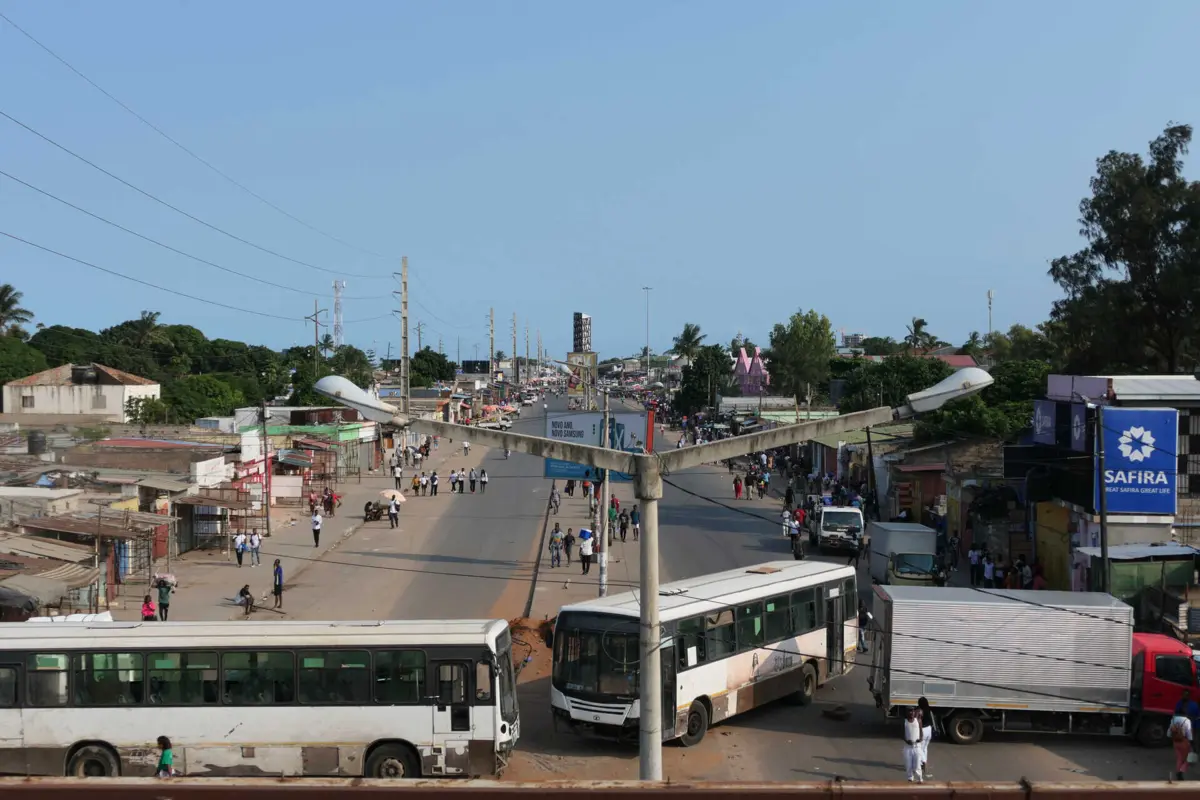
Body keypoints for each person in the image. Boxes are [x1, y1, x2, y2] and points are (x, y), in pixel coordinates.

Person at [1170, 709, 1193, 781]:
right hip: (1184, 742)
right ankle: (1181, 771)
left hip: (1175, 742)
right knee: (1188, 758)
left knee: (1179, 758)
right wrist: (1191, 742)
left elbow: (1169, 733)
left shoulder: (1173, 720)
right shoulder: (1187, 721)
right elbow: (1189, 733)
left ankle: (1178, 771)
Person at [902, 707, 923, 782]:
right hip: (908, 747)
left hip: (917, 747)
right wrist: (907, 741)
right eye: (910, 711)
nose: (911, 713)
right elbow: (902, 734)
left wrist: (920, 739)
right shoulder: (904, 722)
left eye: (913, 711)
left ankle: (920, 779)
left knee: (917, 766)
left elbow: (921, 732)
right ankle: (910, 779)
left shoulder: (918, 721)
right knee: (908, 766)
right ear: (907, 713)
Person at [917, 697, 935, 778]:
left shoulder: (920, 711)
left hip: (923, 730)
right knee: (925, 748)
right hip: (929, 729)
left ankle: (922, 762)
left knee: (919, 747)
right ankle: (924, 762)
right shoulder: (928, 709)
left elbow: (919, 721)